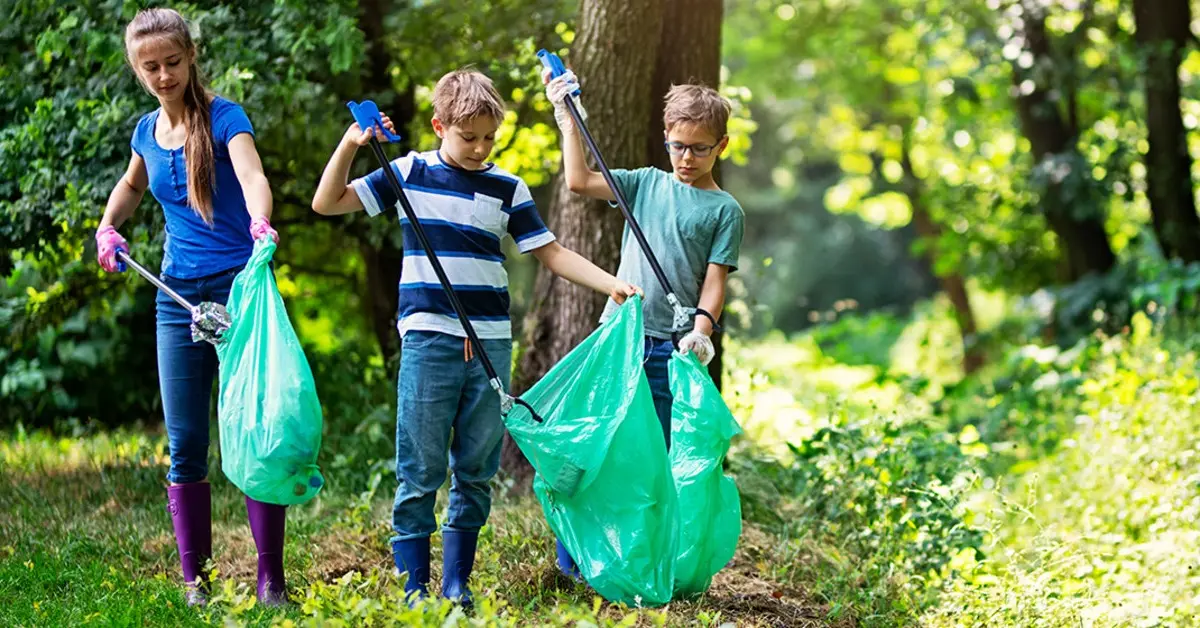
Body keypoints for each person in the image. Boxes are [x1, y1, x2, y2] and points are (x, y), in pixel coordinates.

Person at [311, 68, 639, 607]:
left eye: (490, 138)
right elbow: (329, 202)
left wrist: (612, 284)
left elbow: (551, 252)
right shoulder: (408, 173)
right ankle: (415, 588)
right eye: (469, 137)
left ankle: (457, 583)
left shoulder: (507, 187)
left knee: (477, 468)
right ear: (440, 125)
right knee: (420, 467)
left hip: (489, 345)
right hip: (429, 340)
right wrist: (352, 143)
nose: (480, 147)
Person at [94, 7, 286, 606]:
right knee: (185, 444)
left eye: (172, 62)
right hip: (176, 299)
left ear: (190, 57)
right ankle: (196, 582)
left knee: (255, 432)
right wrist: (108, 226)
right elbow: (131, 184)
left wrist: (260, 219)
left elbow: (252, 173)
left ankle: (270, 580)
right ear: (135, 67)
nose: (162, 75)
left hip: (238, 291)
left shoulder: (225, 118)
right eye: (149, 66)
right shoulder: (145, 132)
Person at [543, 68, 746, 578]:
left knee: (649, 455)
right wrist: (568, 120)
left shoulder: (725, 210)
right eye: (677, 146)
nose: (686, 158)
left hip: (669, 352)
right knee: (597, 442)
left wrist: (701, 329)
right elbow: (578, 180)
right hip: (621, 337)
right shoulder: (645, 183)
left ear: (721, 145)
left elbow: (715, 280)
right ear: (666, 141)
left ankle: (634, 561)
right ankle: (572, 563)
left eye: (699, 149)